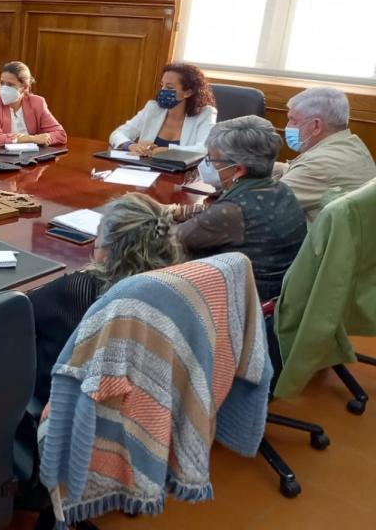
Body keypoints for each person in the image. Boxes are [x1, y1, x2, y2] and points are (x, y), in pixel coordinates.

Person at [27, 192, 184, 399]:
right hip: (143, 398)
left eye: (98, 238)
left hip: (67, 398)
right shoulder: (174, 285)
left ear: (109, 251)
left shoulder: (79, 289)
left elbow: (20, 312)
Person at [171, 116, 307, 302]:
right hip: (279, 299)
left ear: (238, 170)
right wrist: (177, 211)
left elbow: (174, 240)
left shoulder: (232, 212)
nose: (207, 165)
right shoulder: (281, 190)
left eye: (212, 160)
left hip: (242, 305)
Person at [273, 86, 376, 222]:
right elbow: (297, 170)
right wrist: (259, 166)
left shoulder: (320, 165)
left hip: (311, 240)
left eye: (294, 120)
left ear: (316, 126)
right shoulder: (349, 145)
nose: (288, 126)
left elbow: (264, 204)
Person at [109, 62, 217, 155]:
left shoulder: (205, 113)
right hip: (144, 171)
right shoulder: (153, 108)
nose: (162, 91)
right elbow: (117, 134)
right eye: (162, 86)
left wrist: (166, 151)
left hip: (182, 175)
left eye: (169, 87)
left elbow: (204, 149)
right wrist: (131, 146)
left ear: (188, 92)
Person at [0, 61, 67, 151]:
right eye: (2, 83)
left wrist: (45, 139)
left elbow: (61, 135)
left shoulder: (37, 102)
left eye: (10, 84)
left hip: (22, 157)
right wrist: (32, 139)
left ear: (25, 87)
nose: (4, 88)